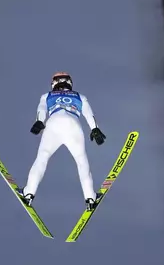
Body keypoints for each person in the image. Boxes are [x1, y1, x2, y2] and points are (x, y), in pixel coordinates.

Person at [18, 72, 107, 210]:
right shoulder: (79, 96)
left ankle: (29, 193)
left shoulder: (47, 95)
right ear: (69, 83)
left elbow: (41, 108)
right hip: (73, 125)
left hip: (53, 123)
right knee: (81, 161)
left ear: (54, 83)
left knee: (42, 158)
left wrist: (39, 121)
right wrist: (95, 129)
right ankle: (90, 197)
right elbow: (89, 113)